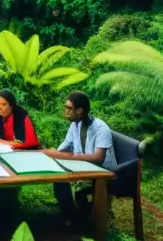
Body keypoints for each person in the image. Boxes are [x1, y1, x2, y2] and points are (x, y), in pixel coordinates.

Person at [40, 91, 117, 225]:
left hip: (102, 170)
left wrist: (69, 157)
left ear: (80, 110)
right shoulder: (75, 125)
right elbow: (65, 146)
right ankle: (71, 213)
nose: (66, 111)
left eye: (69, 108)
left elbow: (98, 157)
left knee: (72, 183)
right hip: (84, 165)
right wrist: (54, 154)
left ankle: (82, 217)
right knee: (59, 176)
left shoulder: (100, 128)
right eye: (65, 107)